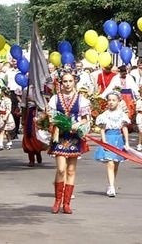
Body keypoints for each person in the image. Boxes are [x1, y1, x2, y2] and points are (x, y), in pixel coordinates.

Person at [47, 72, 91, 213]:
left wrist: (78, 125)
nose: (67, 84)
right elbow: (50, 116)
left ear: (75, 82)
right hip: (60, 135)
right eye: (65, 81)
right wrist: (55, 122)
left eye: (70, 81)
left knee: (71, 170)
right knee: (61, 169)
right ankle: (57, 200)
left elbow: (85, 118)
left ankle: (66, 203)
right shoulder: (55, 98)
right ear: (61, 82)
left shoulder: (81, 99)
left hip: (74, 136)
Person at [94, 91, 130, 197]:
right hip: (108, 139)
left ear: (118, 101)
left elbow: (124, 128)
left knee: (116, 164)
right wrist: (104, 141)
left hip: (118, 140)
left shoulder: (122, 115)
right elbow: (102, 129)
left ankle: (112, 183)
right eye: (109, 100)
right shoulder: (104, 115)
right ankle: (111, 186)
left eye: (113, 100)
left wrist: (126, 142)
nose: (111, 102)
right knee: (110, 163)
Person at [22, 85, 48, 167]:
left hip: (40, 113)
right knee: (29, 135)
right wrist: (23, 118)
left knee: (40, 135)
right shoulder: (26, 90)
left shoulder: (42, 88)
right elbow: (23, 105)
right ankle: (31, 158)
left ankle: (38, 151)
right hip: (30, 113)